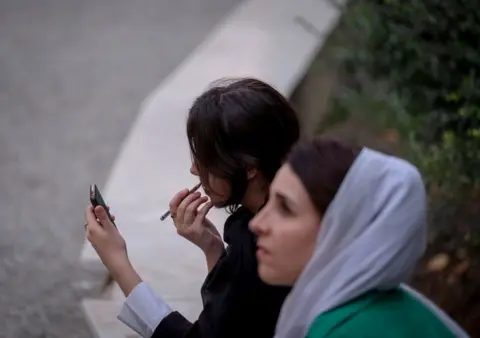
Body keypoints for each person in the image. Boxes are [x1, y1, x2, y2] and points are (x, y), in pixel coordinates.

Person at [84, 78, 299, 338]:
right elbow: (228, 321)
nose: (194, 169)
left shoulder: (260, 247)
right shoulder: (275, 216)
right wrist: (213, 250)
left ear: (249, 167)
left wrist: (117, 261)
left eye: (206, 158)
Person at [249, 137, 469, 338]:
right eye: (268, 201)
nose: (256, 224)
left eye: (285, 208)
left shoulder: (350, 329)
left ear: (342, 230)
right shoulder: (385, 305)